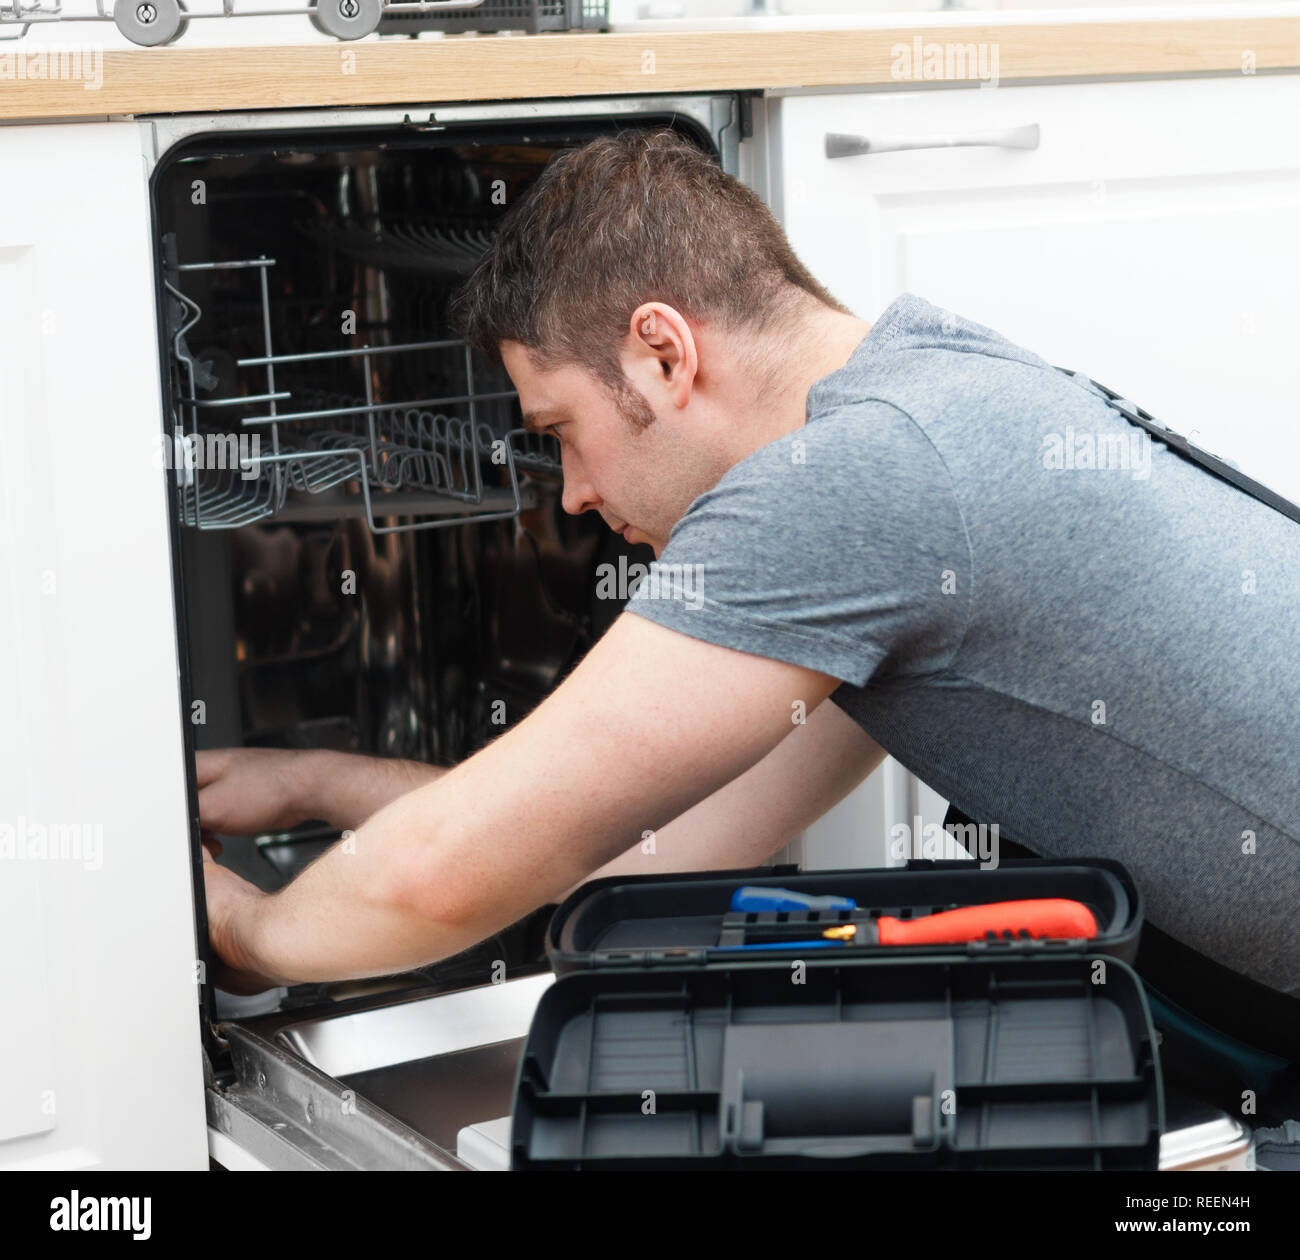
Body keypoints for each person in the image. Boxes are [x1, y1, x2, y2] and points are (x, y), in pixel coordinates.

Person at [198, 131, 1300, 1066]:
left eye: (560, 433)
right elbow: (652, 846)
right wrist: (312, 779)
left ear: (662, 353)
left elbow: (441, 880)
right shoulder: (934, 382)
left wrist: (239, 932)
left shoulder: (836, 488)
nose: (572, 497)